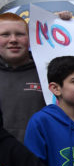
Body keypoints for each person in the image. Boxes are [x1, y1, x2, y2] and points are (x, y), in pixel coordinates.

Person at [0, 13, 45, 142]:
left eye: (20, 34)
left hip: (36, 157)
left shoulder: (47, 71)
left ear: (30, 38)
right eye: (5, 34)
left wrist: (62, 23)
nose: (13, 39)